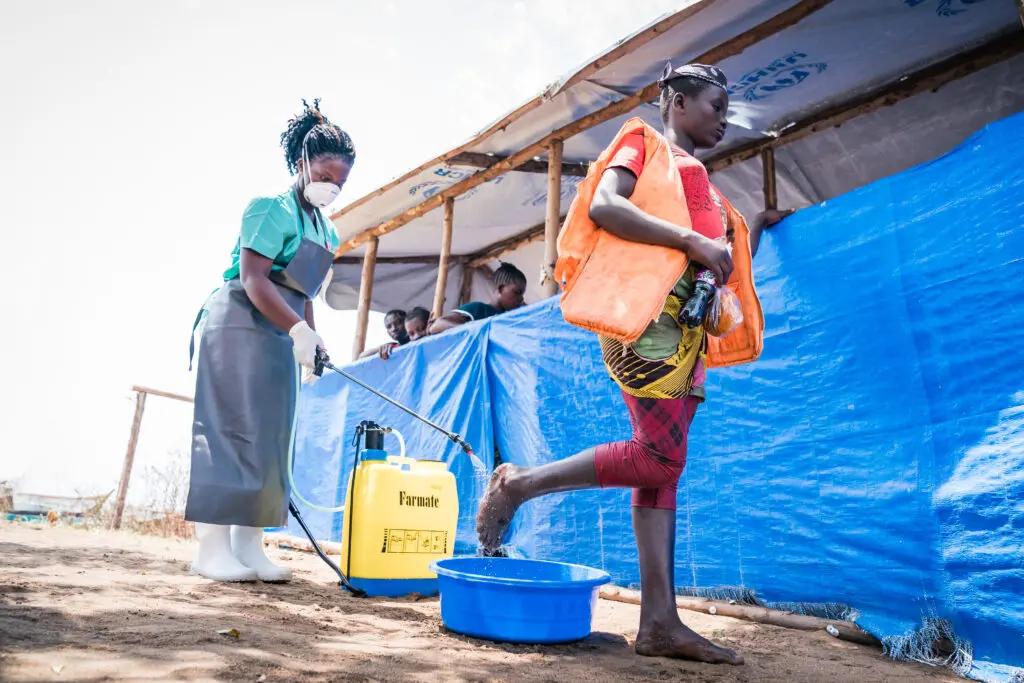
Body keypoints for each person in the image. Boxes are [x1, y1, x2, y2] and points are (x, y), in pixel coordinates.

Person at [476, 63, 791, 664]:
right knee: (657, 456)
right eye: (714, 104)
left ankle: (658, 624)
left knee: (662, 472)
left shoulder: (703, 182)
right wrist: (693, 243)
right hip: (646, 323)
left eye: (728, 107)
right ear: (675, 101)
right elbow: (604, 204)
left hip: (687, 334)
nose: (724, 117)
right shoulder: (642, 143)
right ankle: (518, 484)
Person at [184, 99, 354, 583]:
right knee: (231, 429)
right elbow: (256, 280)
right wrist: (297, 329)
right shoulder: (269, 210)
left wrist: (312, 340)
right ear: (301, 164)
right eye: (324, 175)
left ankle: (249, 545)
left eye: (340, 182)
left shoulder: (327, 229)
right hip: (238, 321)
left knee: (272, 435)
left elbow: (304, 291)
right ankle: (211, 548)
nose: (331, 187)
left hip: (281, 331)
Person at [427, 262, 527, 334]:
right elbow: (436, 325)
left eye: (522, 295)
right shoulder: (479, 309)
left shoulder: (509, 318)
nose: (521, 299)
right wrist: (473, 330)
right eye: (517, 293)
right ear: (500, 289)